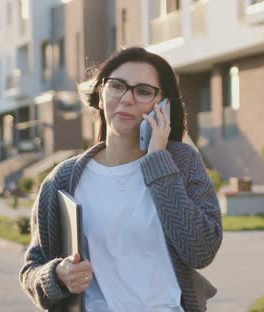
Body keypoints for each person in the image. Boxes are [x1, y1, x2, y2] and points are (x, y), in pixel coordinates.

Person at [19, 47, 223, 312]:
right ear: (101, 96)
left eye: (143, 91)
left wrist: (157, 162)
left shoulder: (182, 163)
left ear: (162, 104)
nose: (127, 99)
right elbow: (31, 269)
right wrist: (58, 274)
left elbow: (201, 250)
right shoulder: (63, 180)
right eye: (117, 86)